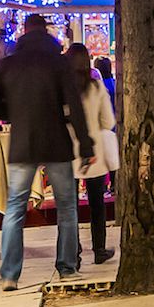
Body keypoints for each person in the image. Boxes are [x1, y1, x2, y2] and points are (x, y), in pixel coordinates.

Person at [0, 11, 92, 289]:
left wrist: (11, 114)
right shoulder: (58, 63)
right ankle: (67, 267)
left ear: (23, 31)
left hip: (23, 141)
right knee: (67, 207)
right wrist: (86, 142)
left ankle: (10, 273)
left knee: (15, 208)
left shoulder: (9, 64)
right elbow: (75, 105)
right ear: (46, 32)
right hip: (56, 140)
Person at [64, 40, 119, 266]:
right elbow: (108, 120)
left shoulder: (62, 90)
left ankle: (73, 253)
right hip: (94, 151)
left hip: (68, 151)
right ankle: (99, 249)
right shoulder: (96, 88)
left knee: (70, 207)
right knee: (97, 203)